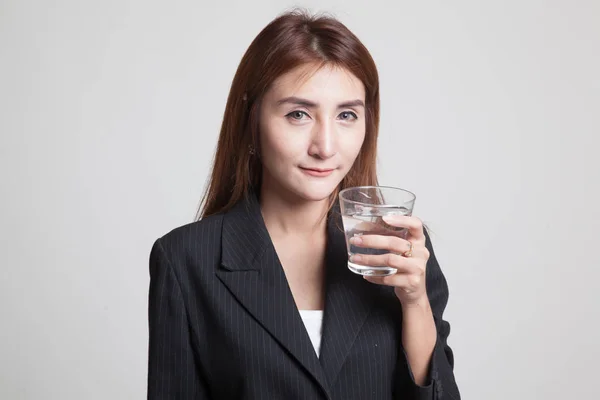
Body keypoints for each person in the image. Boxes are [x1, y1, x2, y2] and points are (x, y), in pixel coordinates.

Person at [147, 9, 460, 400]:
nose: (325, 146)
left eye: (347, 115)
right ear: (252, 119)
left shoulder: (396, 246)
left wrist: (414, 302)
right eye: (298, 114)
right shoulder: (186, 259)